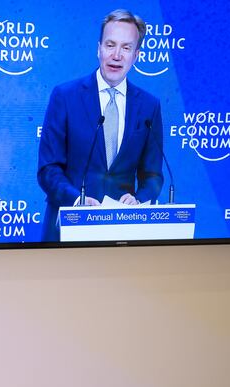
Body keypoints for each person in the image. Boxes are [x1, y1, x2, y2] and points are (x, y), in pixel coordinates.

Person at [37, 8, 164, 242]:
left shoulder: (149, 106)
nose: (117, 55)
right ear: (99, 49)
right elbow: (48, 169)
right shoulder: (65, 96)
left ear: (136, 55)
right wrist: (77, 200)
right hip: (67, 230)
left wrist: (139, 198)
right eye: (110, 45)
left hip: (122, 235)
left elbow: (153, 175)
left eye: (126, 48)